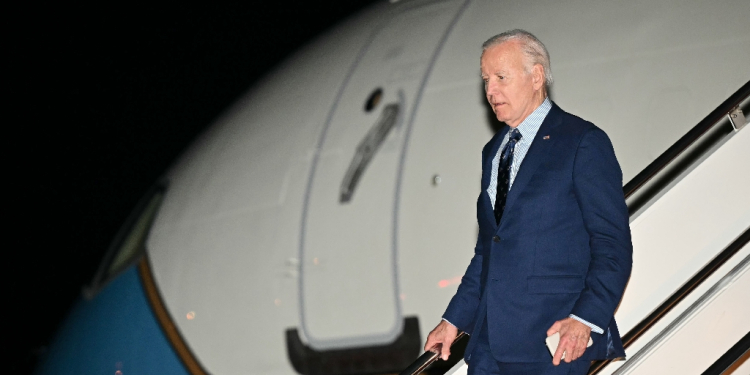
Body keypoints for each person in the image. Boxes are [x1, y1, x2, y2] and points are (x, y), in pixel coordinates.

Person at [423, 29, 633, 375]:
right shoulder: (494, 151)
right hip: (489, 345)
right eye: (486, 80)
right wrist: (453, 320)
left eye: (501, 77)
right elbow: (489, 251)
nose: (490, 90)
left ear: (536, 76)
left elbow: (612, 244)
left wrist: (584, 319)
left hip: (551, 342)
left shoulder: (582, 142)